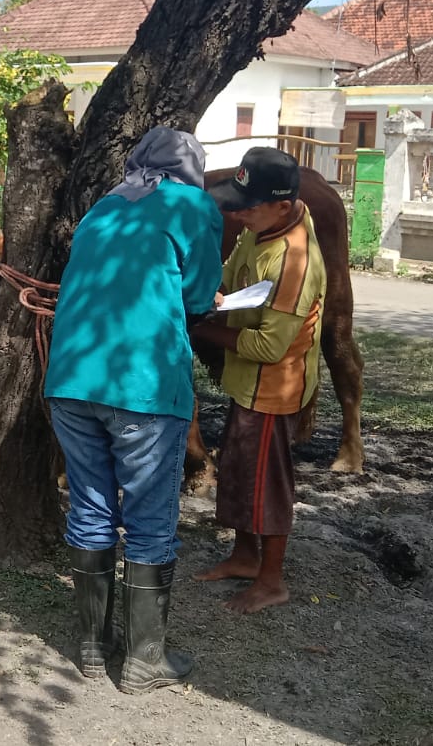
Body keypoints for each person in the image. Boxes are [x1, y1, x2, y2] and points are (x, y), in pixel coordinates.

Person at [42, 127, 223, 695]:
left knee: (91, 503)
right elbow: (196, 299)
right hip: (142, 383)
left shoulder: (106, 203)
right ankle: (146, 661)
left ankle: (94, 646)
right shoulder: (195, 205)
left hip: (70, 378)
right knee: (148, 518)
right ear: (190, 168)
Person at [190, 146, 327, 615]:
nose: (238, 214)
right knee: (239, 470)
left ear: (283, 207)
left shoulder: (294, 259)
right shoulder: (261, 231)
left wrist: (206, 329)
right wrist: (207, 296)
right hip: (246, 381)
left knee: (267, 482)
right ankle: (245, 557)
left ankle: (272, 580)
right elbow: (230, 279)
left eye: (248, 206)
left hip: (273, 386)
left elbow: (271, 347)